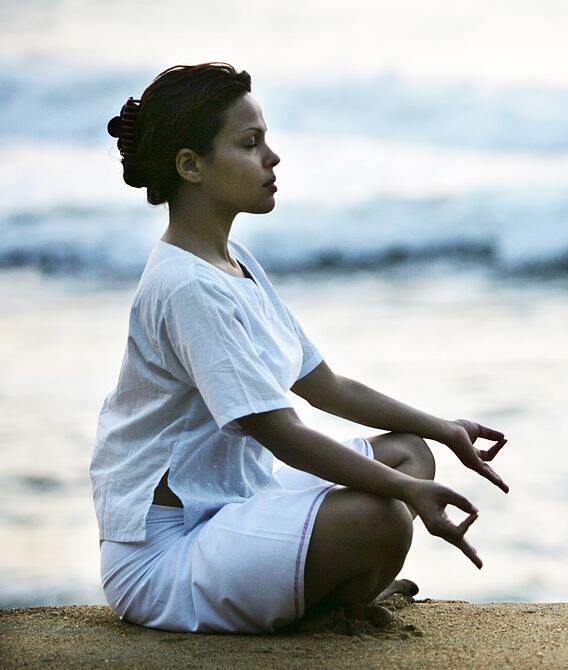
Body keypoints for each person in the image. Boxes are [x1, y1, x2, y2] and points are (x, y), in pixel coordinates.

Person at [90, 62, 510, 634]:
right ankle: (325, 596)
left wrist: (443, 428)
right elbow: (282, 435)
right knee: (385, 516)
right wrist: (408, 494)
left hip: (231, 503)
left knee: (410, 450)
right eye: (250, 143)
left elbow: (326, 386)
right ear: (190, 166)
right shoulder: (186, 286)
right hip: (166, 552)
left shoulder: (233, 265)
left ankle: (325, 589)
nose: (273, 157)